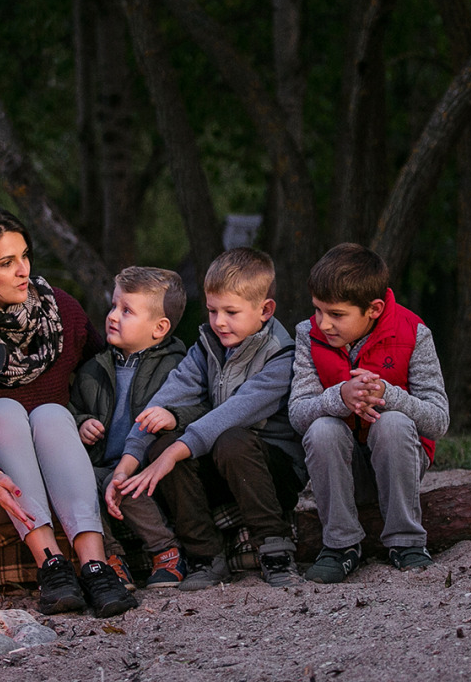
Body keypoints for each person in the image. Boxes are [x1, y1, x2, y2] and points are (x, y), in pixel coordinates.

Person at [0, 203, 136, 618]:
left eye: (25, 257)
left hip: (59, 473)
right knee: (3, 410)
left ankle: (94, 566)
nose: (23, 271)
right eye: (6, 263)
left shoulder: (59, 311)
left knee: (53, 414)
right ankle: (51, 566)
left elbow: (104, 369)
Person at [112, 248, 305, 589]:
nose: (219, 322)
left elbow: (231, 414)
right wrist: (127, 465)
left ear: (265, 310)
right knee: (162, 440)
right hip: (221, 466)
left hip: (270, 474)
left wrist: (175, 453)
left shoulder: (281, 357)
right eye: (213, 310)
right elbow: (166, 400)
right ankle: (205, 555)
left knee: (230, 438)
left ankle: (275, 547)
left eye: (231, 312)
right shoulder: (206, 347)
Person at [289, 243, 450, 583]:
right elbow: (298, 414)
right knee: (322, 429)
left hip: (401, 463)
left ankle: (406, 542)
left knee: (391, 422)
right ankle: (340, 545)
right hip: (343, 468)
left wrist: (389, 396)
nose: (324, 323)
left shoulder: (413, 332)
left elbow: (438, 421)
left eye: (336, 314)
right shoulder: (308, 335)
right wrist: (339, 398)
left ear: (374, 309)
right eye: (318, 310)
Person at [70, 267, 193, 588]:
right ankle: (110, 558)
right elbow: (71, 407)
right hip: (100, 462)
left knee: (122, 484)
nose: (113, 316)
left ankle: (166, 551)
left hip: (147, 465)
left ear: (159, 327)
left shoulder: (177, 366)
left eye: (127, 311)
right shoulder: (94, 368)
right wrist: (81, 423)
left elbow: (199, 405)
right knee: (78, 483)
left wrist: (174, 416)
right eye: (113, 306)